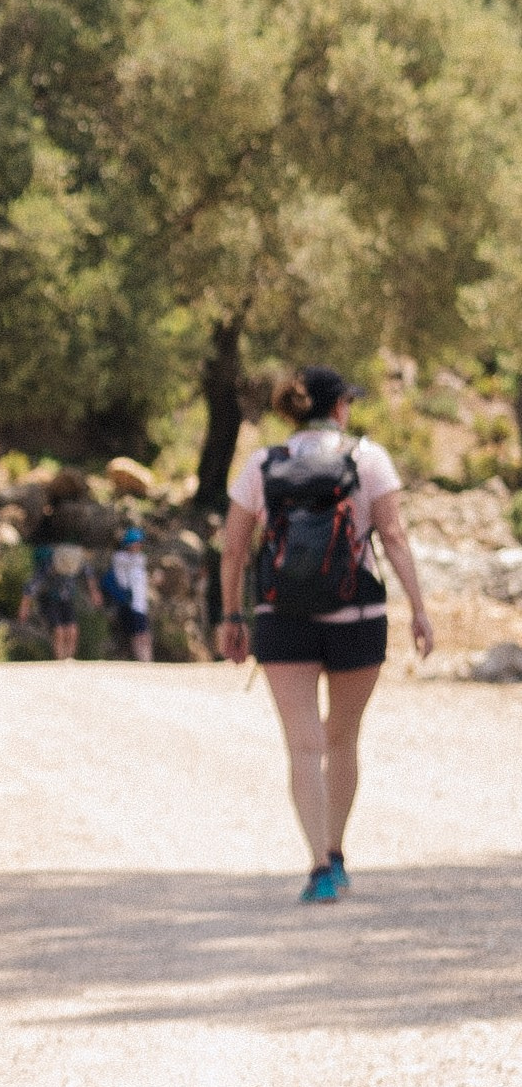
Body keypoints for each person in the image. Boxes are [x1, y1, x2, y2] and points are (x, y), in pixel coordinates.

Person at [217, 364, 435, 902]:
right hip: (356, 615)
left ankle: (316, 865)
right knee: (343, 737)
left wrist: (231, 618)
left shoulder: (262, 463)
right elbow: (393, 535)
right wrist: (419, 608)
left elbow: (234, 549)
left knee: (303, 743)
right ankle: (337, 853)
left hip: (281, 618)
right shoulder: (368, 458)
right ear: (340, 407)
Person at [103, 524, 155, 662]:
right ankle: (143, 660)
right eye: (135, 543)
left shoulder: (139, 559)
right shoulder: (121, 559)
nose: (138, 547)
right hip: (130, 603)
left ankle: (147, 660)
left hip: (141, 603)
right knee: (138, 635)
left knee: (145, 635)